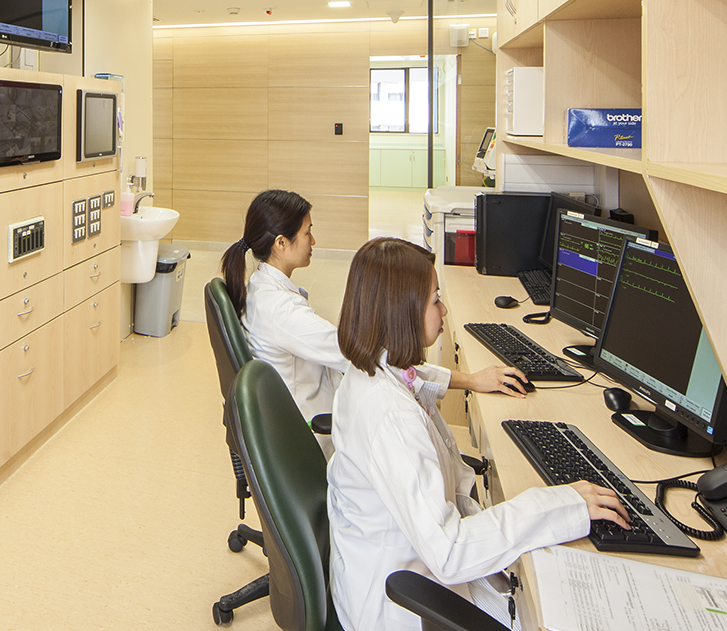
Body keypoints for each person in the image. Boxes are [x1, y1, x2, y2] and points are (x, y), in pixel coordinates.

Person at [328, 237, 630, 631]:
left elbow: (413, 374)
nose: (444, 309)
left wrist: (469, 379)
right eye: (434, 299)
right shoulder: (389, 419)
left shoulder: (370, 368)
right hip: (406, 604)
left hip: (388, 566)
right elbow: (448, 553)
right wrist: (559, 503)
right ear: (402, 313)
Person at [220, 190, 527, 452]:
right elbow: (371, 359)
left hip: (302, 410)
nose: (314, 239)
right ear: (281, 243)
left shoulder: (262, 288)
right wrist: (470, 380)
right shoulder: (280, 310)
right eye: (307, 232)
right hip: (312, 432)